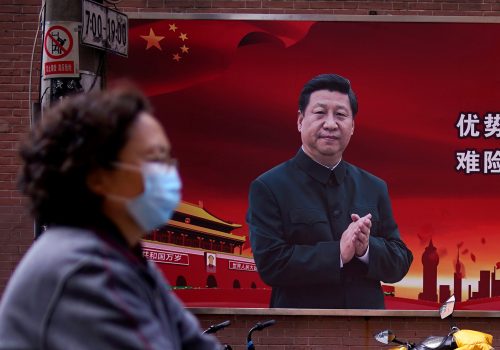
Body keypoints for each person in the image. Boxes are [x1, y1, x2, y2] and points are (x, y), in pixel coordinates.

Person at [0, 86, 221, 349]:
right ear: (98, 177)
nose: (169, 173)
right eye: (154, 159)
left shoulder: (128, 259)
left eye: (168, 160)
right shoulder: (85, 270)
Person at [247, 74, 413, 309]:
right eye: (320, 113)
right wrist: (338, 253)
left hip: (367, 335)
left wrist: (366, 248)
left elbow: (400, 261)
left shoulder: (374, 186)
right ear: (300, 120)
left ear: (352, 126)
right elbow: (271, 264)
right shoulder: (269, 187)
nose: (331, 124)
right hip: (300, 335)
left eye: (341, 115)